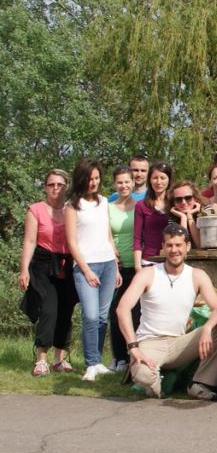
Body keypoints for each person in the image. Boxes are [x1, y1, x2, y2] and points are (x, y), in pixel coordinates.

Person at [116, 223, 217, 400]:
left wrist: (207, 328)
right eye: (169, 245)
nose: (174, 250)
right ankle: (157, 385)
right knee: (143, 374)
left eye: (178, 245)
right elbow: (122, 309)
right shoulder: (147, 274)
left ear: (187, 247)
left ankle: (199, 383)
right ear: (163, 247)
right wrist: (133, 347)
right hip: (150, 342)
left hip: (180, 343)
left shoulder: (197, 275)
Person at [65, 159, 122, 381]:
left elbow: (108, 236)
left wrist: (116, 266)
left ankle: (97, 362)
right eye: (90, 179)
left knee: (101, 317)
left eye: (97, 178)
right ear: (81, 179)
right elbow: (72, 243)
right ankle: (90, 363)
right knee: (89, 315)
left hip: (108, 264)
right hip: (85, 266)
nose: (94, 183)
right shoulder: (72, 206)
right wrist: (86, 270)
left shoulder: (104, 201)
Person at [19, 169, 77, 376]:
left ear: (66, 187)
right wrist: (24, 269)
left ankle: (59, 359)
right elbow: (29, 241)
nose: (55, 188)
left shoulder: (72, 209)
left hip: (68, 265)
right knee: (49, 310)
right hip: (43, 265)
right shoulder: (35, 210)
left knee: (65, 311)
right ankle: (41, 359)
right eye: (51, 184)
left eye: (60, 184)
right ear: (45, 187)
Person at [108, 165, 140, 372]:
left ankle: (133, 357)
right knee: (115, 312)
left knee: (136, 313)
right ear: (115, 184)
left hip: (137, 266)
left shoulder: (140, 206)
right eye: (119, 182)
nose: (123, 186)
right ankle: (119, 358)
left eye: (127, 182)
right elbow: (106, 235)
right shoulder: (108, 207)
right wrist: (113, 259)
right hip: (116, 266)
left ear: (133, 183)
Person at [133, 161, 172, 270]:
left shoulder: (176, 203)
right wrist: (137, 266)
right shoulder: (141, 205)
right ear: (149, 180)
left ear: (169, 180)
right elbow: (137, 238)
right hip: (149, 261)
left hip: (172, 259)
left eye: (162, 178)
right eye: (155, 178)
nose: (158, 182)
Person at [168, 180, 205, 247]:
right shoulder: (172, 218)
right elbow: (181, 245)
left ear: (195, 199)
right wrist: (183, 218)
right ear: (173, 203)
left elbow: (200, 245)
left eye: (188, 198)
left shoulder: (205, 214)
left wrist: (190, 217)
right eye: (178, 199)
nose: (183, 202)